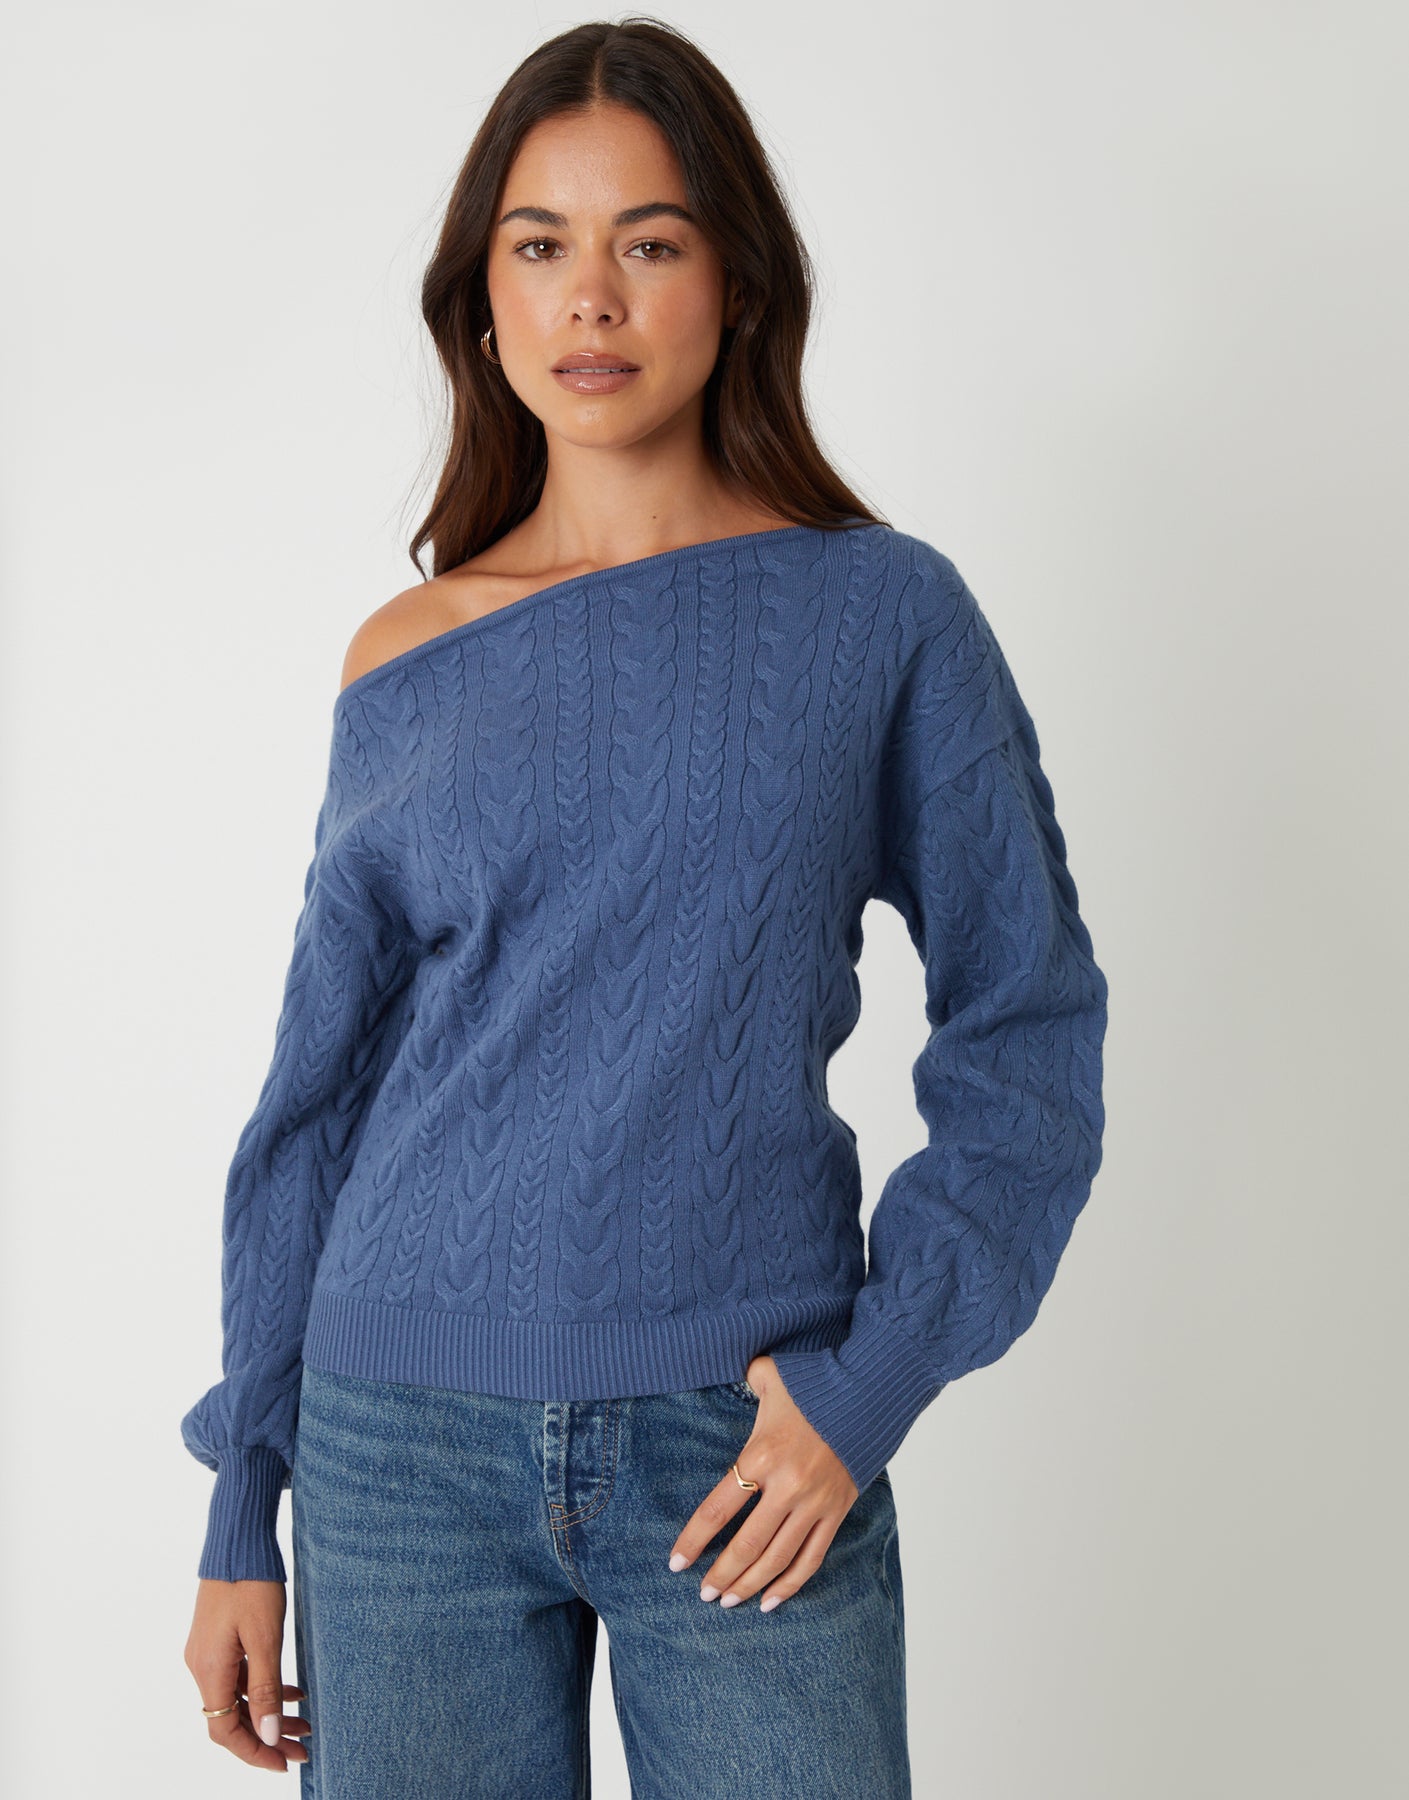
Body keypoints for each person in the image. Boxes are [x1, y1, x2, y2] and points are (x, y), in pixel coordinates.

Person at [180, 17, 1109, 1797]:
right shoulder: (403, 657)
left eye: (650, 242)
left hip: (743, 1437)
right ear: (483, 300)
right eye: (540, 245)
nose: (590, 297)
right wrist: (246, 1494)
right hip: (396, 1451)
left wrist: (869, 1383)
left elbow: (1027, 1025)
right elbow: (317, 1102)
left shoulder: (882, 617)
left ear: (736, 284)